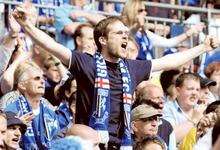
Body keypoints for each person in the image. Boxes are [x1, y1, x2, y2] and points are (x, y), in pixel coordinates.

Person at [12, 5, 218, 148]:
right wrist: (27, 25)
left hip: (124, 143)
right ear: (102, 39)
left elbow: (170, 62)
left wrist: (202, 47)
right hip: (92, 142)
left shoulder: (132, 68)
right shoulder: (87, 63)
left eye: (126, 34)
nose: (125, 37)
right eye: (119, 33)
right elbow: (52, 46)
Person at [4, 61, 72, 149]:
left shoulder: (50, 111)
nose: (42, 82)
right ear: (22, 85)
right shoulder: (12, 110)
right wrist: (17, 125)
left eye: (43, 79)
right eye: (37, 78)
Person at [121, 0, 204, 60]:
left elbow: (169, 42)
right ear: (132, 11)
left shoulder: (145, 33)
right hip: (136, 72)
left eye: (145, 10)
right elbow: (131, 34)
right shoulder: (124, 30)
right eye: (141, 10)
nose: (145, 13)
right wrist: (138, 25)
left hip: (147, 70)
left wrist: (190, 32)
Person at [163, 73, 206, 144]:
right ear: (178, 91)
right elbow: (171, 139)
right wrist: (193, 120)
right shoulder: (167, 109)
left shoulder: (202, 109)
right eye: (190, 89)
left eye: (197, 90)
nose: (194, 93)